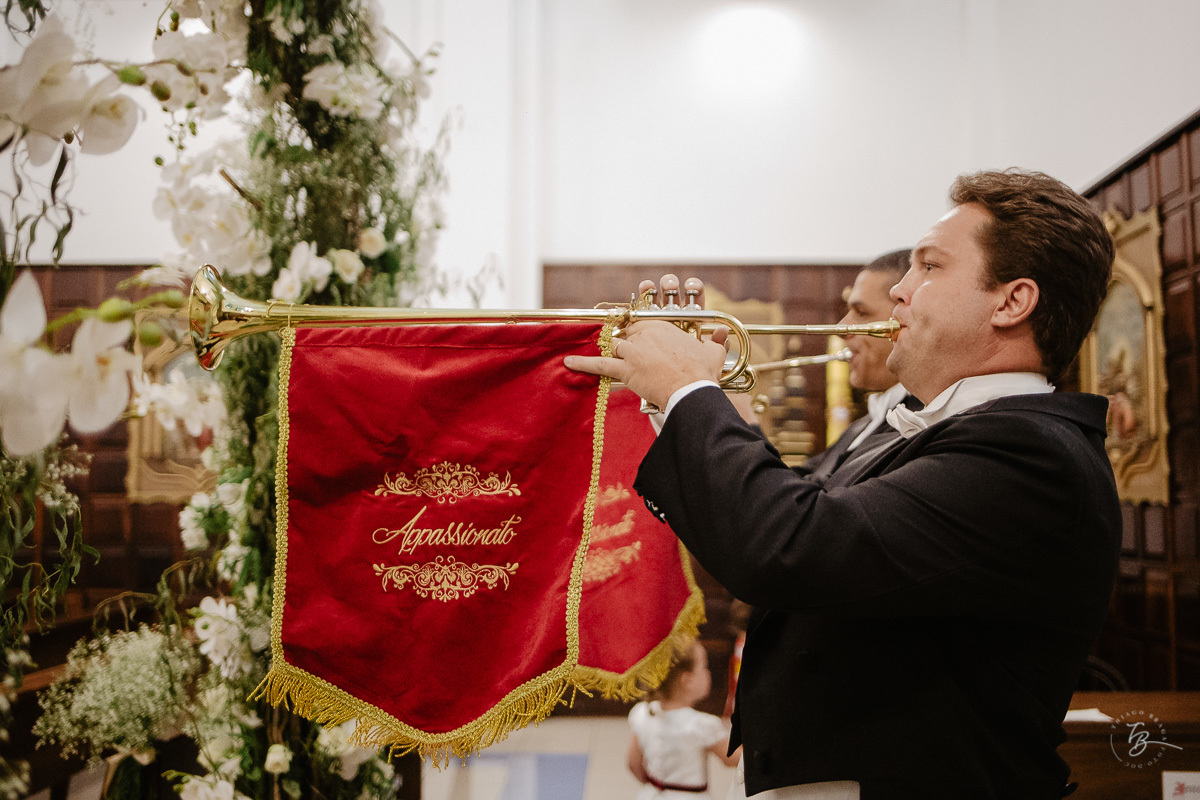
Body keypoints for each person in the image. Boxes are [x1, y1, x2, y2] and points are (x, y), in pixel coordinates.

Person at [566, 169, 1120, 799]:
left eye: (929, 268)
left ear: (1011, 302)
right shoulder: (949, 432)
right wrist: (693, 405)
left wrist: (691, 392)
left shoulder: (1030, 453)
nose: (903, 293)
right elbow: (800, 504)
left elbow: (791, 544)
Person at [798, 249, 915, 480]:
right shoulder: (868, 420)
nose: (842, 328)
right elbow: (798, 482)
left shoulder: (917, 422)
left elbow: (814, 508)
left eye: (861, 312)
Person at [628, 639, 740, 798]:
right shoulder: (702, 725)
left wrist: (657, 786)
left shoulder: (642, 712)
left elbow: (633, 763)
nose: (708, 672)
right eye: (704, 666)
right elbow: (734, 759)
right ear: (687, 681)